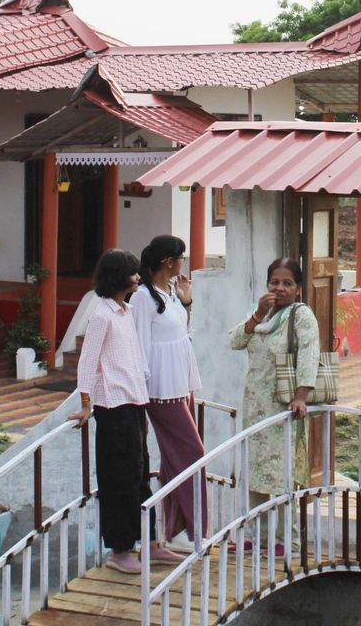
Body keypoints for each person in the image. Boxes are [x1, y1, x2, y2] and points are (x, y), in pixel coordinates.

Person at [227, 257, 318, 549]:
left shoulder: (301, 316)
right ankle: (260, 537)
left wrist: (301, 397)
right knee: (256, 474)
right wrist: (257, 315)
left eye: (287, 283)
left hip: (283, 409)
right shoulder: (261, 315)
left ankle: (286, 539)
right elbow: (235, 342)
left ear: (298, 289)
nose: (279, 289)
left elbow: (308, 354)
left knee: (281, 474)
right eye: (274, 282)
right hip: (255, 408)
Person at [72, 249, 151, 574]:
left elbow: (133, 356)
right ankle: (120, 548)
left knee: (139, 472)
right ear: (117, 277)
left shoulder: (125, 312)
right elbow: (87, 361)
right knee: (119, 477)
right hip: (112, 405)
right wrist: (86, 404)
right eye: (132, 273)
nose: (137, 277)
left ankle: (140, 541)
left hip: (134, 401)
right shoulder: (102, 315)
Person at [130, 235, 206, 557]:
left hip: (181, 381)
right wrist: (144, 389)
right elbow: (139, 345)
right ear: (168, 261)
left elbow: (183, 335)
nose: (183, 263)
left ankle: (175, 529)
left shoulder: (171, 292)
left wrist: (187, 302)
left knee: (175, 458)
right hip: (161, 389)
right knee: (192, 453)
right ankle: (196, 529)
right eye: (181, 258)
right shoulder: (143, 298)